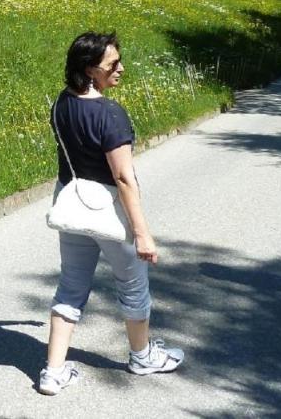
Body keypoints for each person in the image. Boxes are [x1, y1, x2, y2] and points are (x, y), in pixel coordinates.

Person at [39, 32, 184, 396]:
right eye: (112, 65)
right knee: (133, 286)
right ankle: (141, 356)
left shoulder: (61, 103)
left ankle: (53, 372)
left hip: (72, 203)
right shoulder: (110, 114)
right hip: (109, 211)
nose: (121, 69)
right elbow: (123, 177)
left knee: (71, 284)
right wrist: (142, 232)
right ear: (90, 70)